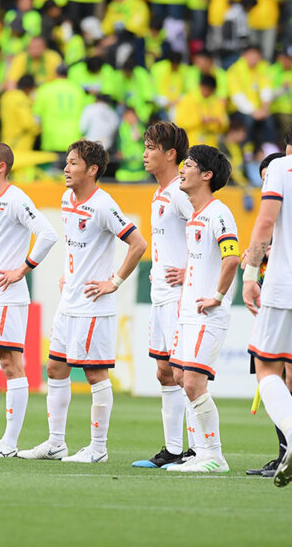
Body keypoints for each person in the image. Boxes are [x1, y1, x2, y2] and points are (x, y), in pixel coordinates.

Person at [18, 140, 146, 462]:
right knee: (55, 367)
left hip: (93, 305)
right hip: (69, 302)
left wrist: (114, 282)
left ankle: (98, 449)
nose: (65, 168)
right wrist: (68, 274)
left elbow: (138, 244)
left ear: (92, 170)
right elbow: (78, 247)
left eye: (73, 163)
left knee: (94, 375)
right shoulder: (67, 199)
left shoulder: (103, 205)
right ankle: (56, 443)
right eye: (66, 162)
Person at [0, 142, 58, 457]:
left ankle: (8, 443)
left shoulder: (16, 198)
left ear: (1, 166)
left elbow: (48, 234)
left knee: (9, 363)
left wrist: (23, 269)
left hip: (6, 295)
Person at [166, 145, 240, 473]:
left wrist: (217, 296)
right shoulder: (195, 215)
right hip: (188, 312)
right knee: (182, 377)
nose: (182, 170)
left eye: (189, 165)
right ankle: (199, 453)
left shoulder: (219, 212)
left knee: (194, 383)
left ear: (207, 175)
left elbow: (232, 258)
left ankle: (214, 455)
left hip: (207, 314)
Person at [132, 122, 193, 468]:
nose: (145, 154)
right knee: (164, 372)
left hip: (180, 297)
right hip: (160, 295)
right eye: (145, 146)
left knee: (186, 374)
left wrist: (190, 272)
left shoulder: (181, 193)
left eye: (151, 147)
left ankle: (199, 450)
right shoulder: (159, 193)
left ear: (170, 154)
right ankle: (172, 449)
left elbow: (209, 233)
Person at [243, 144, 292, 487]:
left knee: (267, 366)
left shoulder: (282, 167)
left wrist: (250, 274)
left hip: (284, 285)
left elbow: (265, 220)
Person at [33, 63, 85, 154]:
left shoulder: (45, 89)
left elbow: (36, 117)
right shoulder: (78, 90)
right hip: (73, 139)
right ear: (68, 74)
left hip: (51, 140)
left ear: (55, 73)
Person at [175, 75, 229, 148]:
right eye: (205, 89)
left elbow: (224, 124)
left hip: (211, 144)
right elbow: (180, 122)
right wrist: (200, 120)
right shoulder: (187, 99)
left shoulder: (217, 102)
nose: (206, 92)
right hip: (191, 143)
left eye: (209, 90)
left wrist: (217, 122)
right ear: (200, 86)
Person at [0, 75, 39, 151]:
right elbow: (27, 123)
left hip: (6, 138)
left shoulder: (6, 96)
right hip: (21, 141)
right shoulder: (22, 99)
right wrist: (37, 129)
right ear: (28, 88)